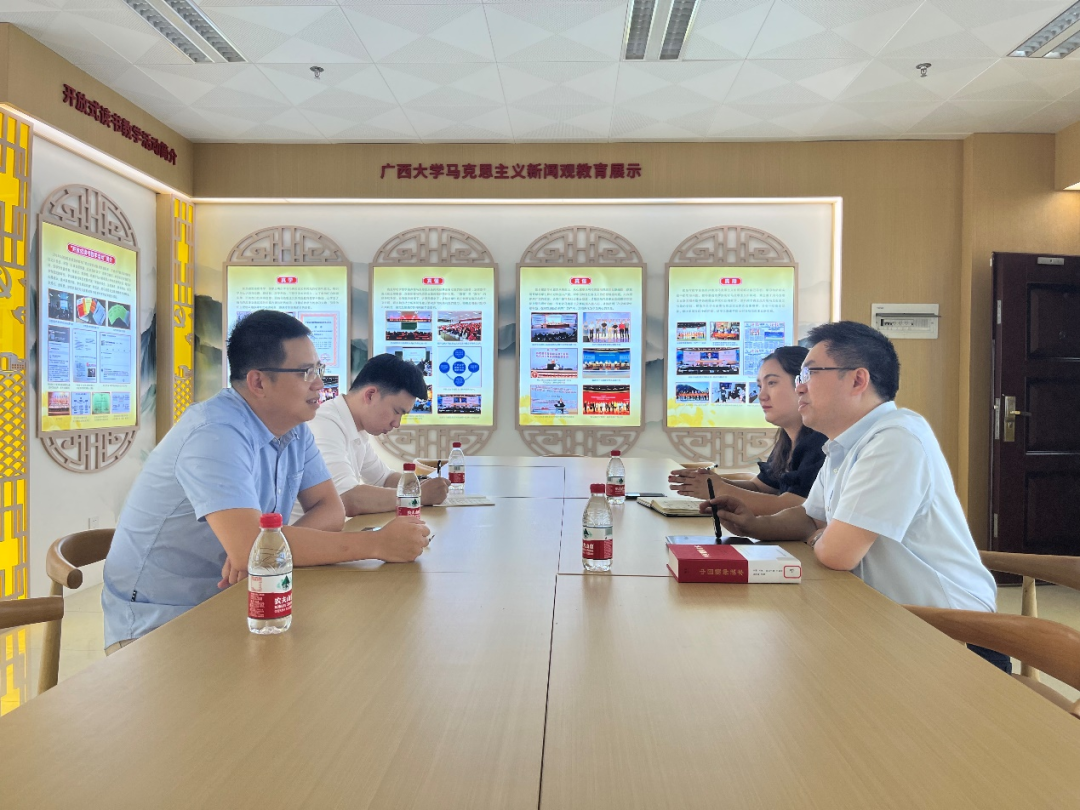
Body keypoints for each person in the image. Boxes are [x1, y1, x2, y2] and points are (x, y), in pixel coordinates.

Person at [101, 311, 430, 652]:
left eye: (318, 370)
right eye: (306, 373)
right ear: (258, 382)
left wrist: (265, 552)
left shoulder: (295, 430)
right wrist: (376, 544)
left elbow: (331, 510)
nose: (320, 384)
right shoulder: (214, 433)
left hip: (242, 598)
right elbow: (249, 548)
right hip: (160, 620)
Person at [702, 321, 1007, 672]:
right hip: (888, 620)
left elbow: (837, 554)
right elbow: (811, 517)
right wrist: (755, 524)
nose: (799, 387)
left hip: (952, 637)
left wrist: (823, 537)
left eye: (810, 373)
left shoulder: (896, 440)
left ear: (858, 380)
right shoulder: (843, 443)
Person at [668, 346, 826, 515]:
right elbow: (760, 487)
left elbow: (794, 507)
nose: (761, 396)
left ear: (802, 385)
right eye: (759, 386)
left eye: (772, 383)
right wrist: (712, 482)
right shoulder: (787, 441)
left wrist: (719, 489)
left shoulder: (820, 443)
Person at [294, 353, 449, 520]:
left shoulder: (356, 427)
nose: (397, 423)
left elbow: (384, 478)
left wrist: (424, 484)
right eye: (396, 412)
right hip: (306, 534)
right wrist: (418, 496)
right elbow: (347, 498)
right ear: (370, 395)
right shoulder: (325, 424)